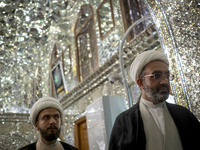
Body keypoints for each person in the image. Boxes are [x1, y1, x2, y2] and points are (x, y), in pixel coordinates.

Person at [109, 50, 200, 150]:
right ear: (140, 82)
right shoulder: (125, 122)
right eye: (156, 75)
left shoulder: (184, 115)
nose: (164, 81)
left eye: (167, 75)